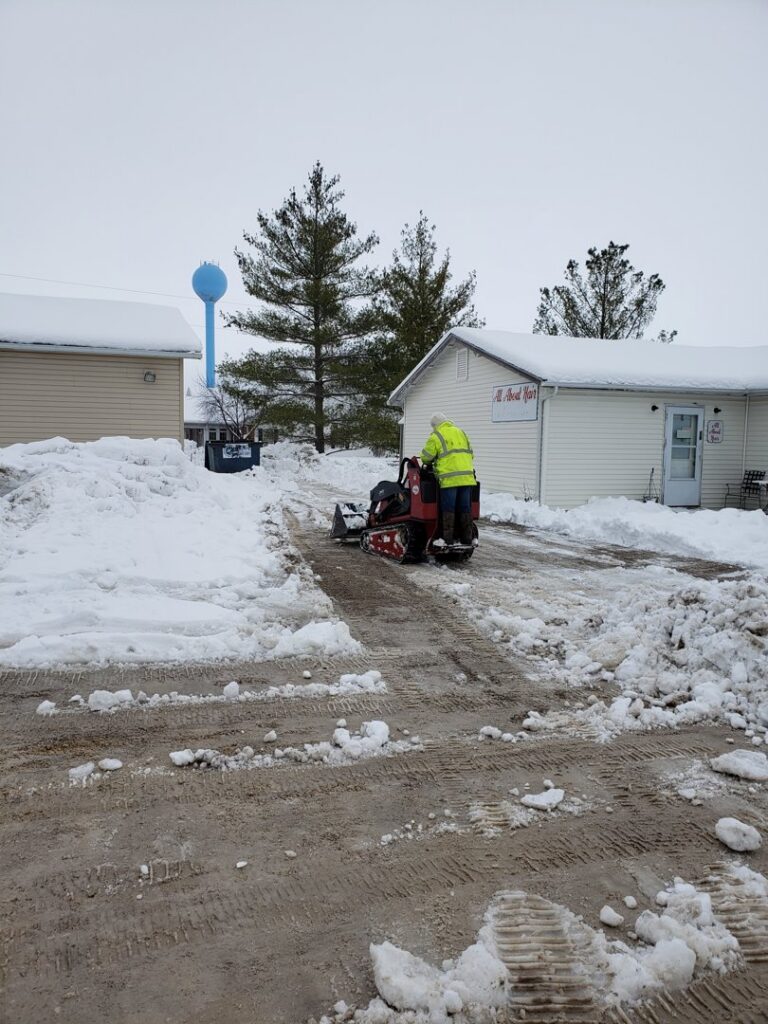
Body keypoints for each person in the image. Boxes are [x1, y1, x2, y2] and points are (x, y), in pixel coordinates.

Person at [421, 413, 476, 546]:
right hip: (467, 478)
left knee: (448, 508)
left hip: (449, 479)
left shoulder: (437, 436)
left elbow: (426, 457)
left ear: (435, 425)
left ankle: (447, 540)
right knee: (464, 508)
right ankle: (467, 539)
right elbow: (471, 453)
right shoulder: (461, 432)